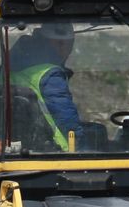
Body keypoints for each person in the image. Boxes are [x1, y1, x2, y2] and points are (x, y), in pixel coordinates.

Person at [7, 21, 83, 152]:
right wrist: (82, 145)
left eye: (69, 44)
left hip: (14, 145)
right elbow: (66, 118)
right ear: (45, 41)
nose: (65, 50)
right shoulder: (50, 74)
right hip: (53, 149)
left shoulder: (9, 65)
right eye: (60, 43)